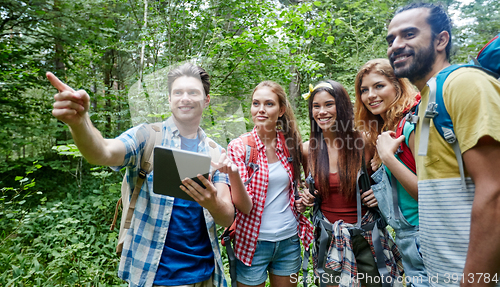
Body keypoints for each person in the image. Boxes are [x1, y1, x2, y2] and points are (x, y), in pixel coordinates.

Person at [47, 63, 236, 287]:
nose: (185, 98)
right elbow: (103, 152)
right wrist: (80, 123)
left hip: (206, 277)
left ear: (206, 100)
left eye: (193, 92)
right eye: (178, 92)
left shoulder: (216, 151)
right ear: (169, 99)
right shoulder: (146, 137)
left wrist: (212, 202)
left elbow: (227, 217)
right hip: (151, 275)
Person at [386, 2, 500, 286]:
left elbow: (495, 190)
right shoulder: (427, 101)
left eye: (409, 34)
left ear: (441, 40)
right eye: (391, 39)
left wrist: (475, 281)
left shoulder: (465, 84)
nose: (396, 45)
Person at [301, 80, 403, 287]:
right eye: (316, 106)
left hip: (367, 237)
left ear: (343, 106)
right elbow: (305, 187)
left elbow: (392, 177)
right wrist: (306, 196)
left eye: (329, 104)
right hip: (329, 239)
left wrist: (379, 193)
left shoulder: (365, 141)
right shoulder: (307, 150)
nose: (322, 112)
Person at [226, 81, 314, 287]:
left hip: (289, 240)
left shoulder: (290, 144)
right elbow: (243, 205)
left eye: (269, 104)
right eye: (256, 103)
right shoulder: (240, 147)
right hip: (252, 243)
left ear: (281, 110)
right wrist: (233, 175)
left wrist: (302, 199)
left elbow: (295, 187)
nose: (261, 110)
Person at [354, 58, 428, 287]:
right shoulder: (386, 129)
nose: (370, 95)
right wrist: (383, 193)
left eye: (379, 86)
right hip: (406, 237)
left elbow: (427, 193)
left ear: (398, 86)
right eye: (364, 90)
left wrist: (386, 157)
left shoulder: (410, 126)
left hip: (424, 235)